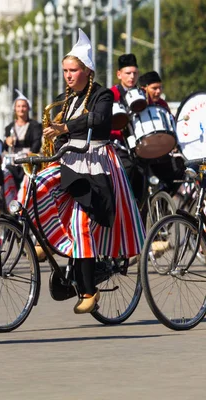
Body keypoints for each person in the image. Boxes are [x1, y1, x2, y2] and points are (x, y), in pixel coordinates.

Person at [32, 29, 144, 314]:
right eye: (66, 71)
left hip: (96, 164)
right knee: (35, 185)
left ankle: (88, 292)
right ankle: (47, 238)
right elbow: (58, 134)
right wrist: (48, 146)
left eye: (73, 70)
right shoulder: (64, 99)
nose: (68, 76)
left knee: (82, 225)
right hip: (70, 161)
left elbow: (98, 119)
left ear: (87, 71)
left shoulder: (102, 95)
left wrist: (65, 128)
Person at [138, 71, 185, 195]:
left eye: (160, 88)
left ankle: (163, 203)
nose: (158, 91)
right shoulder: (137, 105)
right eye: (154, 88)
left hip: (160, 152)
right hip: (141, 153)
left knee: (179, 172)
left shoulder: (162, 104)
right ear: (144, 89)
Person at [109, 53, 146, 202]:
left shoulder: (143, 94)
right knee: (129, 167)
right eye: (128, 73)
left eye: (135, 73)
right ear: (119, 74)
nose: (132, 77)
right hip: (118, 145)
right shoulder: (111, 94)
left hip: (140, 144)